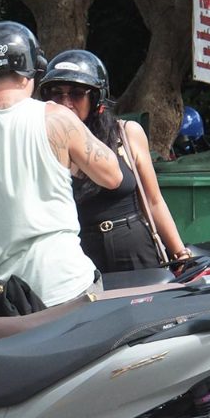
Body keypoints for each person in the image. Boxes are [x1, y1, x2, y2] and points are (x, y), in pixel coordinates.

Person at [0, 22, 123, 308]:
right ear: (30, 70)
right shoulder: (56, 118)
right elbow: (113, 176)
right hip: (65, 285)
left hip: (2, 295)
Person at [38, 49, 190, 273]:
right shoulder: (42, 143)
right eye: (56, 93)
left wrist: (180, 254)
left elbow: (153, 201)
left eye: (77, 93)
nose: (65, 102)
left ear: (96, 99)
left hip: (135, 249)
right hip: (78, 257)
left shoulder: (126, 134)